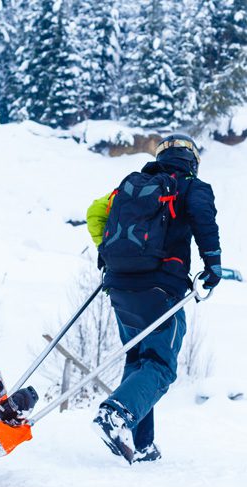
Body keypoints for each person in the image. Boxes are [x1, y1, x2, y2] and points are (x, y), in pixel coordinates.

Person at [86, 134, 221, 464]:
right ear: (192, 160)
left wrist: (106, 253)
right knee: (160, 366)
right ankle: (116, 415)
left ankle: (143, 444)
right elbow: (204, 220)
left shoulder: (130, 187)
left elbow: (94, 212)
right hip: (161, 287)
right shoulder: (192, 186)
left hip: (119, 285)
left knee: (138, 360)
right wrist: (213, 263)